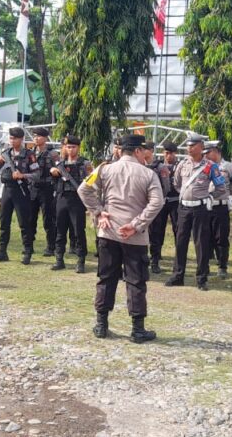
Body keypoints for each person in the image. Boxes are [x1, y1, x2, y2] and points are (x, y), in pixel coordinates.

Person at [78, 134, 164, 343]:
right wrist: (136, 224)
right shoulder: (148, 174)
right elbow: (157, 202)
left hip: (108, 232)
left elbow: (83, 189)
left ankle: (101, 325)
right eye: (143, 150)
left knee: (106, 278)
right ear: (137, 151)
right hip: (134, 236)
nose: (145, 154)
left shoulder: (104, 169)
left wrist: (99, 212)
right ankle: (137, 329)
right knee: (136, 281)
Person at [166, 134, 224, 291]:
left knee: (201, 243)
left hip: (200, 209)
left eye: (193, 145)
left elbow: (220, 187)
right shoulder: (182, 164)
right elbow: (177, 184)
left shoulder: (211, 166)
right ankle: (178, 275)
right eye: (188, 145)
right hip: (184, 208)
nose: (189, 148)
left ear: (201, 147)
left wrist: (208, 197)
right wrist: (187, 195)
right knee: (180, 242)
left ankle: (201, 278)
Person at [0, 127, 38, 264]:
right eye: (10, 138)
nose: (12, 141)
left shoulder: (29, 155)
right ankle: (2, 251)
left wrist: (23, 175)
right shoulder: (5, 153)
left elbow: (37, 175)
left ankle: (27, 252)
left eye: (15, 138)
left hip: (21, 190)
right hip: (7, 190)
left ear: (21, 139)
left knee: (24, 223)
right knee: (4, 221)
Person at [49, 135, 92, 273]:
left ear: (78, 148)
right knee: (60, 230)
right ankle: (59, 259)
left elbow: (91, 182)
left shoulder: (84, 163)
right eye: (68, 147)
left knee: (79, 231)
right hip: (62, 198)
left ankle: (81, 260)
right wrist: (53, 173)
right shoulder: (60, 164)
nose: (70, 149)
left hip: (77, 199)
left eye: (73, 147)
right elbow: (54, 182)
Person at [205, 141, 232, 279]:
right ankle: (204, 266)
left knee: (221, 237)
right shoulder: (204, 165)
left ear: (216, 151)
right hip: (205, 206)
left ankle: (222, 266)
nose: (206, 155)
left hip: (220, 206)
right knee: (205, 236)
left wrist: (231, 197)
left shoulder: (229, 166)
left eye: (208, 152)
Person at [148, 141, 180, 274]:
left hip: (175, 201)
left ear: (175, 153)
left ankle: (179, 257)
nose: (168, 156)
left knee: (178, 229)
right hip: (161, 201)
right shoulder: (157, 166)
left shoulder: (180, 166)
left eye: (171, 153)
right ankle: (156, 257)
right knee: (157, 230)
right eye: (166, 153)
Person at [29, 128, 59, 256]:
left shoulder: (52, 153)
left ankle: (51, 247)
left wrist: (55, 170)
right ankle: (29, 245)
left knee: (48, 219)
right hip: (33, 188)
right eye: (35, 136)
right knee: (30, 218)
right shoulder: (30, 152)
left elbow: (59, 168)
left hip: (47, 188)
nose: (36, 138)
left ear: (46, 138)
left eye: (39, 136)